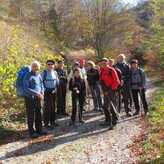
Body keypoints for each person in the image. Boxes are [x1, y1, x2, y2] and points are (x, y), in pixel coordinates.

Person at [23, 61, 47, 138]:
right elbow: (26, 88)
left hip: (38, 98)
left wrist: (42, 92)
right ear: (31, 67)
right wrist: (36, 93)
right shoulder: (27, 76)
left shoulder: (39, 75)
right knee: (31, 115)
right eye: (34, 66)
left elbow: (41, 84)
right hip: (29, 98)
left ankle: (39, 130)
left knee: (39, 113)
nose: (36, 68)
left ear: (39, 67)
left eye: (37, 66)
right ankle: (31, 132)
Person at [100, 58, 120, 129]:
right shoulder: (101, 71)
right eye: (102, 63)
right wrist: (103, 90)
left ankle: (114, 122)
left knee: (112, 106)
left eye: (105, 63)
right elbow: (101, 81)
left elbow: (117, 82)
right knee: (105, 106)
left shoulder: (111, 70)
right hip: (105, 91)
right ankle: (108, 120)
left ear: (107, 63)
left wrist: (110, 90)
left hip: (112, 90)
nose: (103, 64)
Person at [42, 60, 59, 130]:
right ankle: (46, 123)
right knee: (47, 108)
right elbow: (41, 82)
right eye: (48, 64)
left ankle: (53, 121)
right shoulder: (44, 73)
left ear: (53, 65)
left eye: (51, 64)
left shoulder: (55, 72)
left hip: (53, 91)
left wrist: (56, 88)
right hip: (47, 92)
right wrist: (45, 90)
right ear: (46, 65)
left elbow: (57, 82)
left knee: (53, 107)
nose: (50, 65)